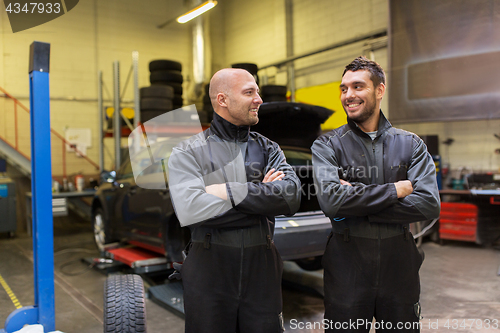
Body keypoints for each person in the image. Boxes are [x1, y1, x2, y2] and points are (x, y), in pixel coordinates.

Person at [311, 56, 440, 332]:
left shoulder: (411, 144)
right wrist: (397, 189)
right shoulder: (328, 146)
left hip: (399, 265)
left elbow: (428, 204)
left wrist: (355, 201)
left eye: (358, 86)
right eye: (344, 88)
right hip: (347, 264)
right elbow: (332, 202)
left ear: (380, 90)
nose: (349, 95)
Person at [168, 68, 301, 333]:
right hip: (209, 270)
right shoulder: (187, 152)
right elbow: (192, 210)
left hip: (262, 269)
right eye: (249, 92)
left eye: (258, 92)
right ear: (222, 100)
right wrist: (260, 194)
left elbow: (290, 198)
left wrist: (225, 191)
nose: (259, 99)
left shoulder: (268, 148)